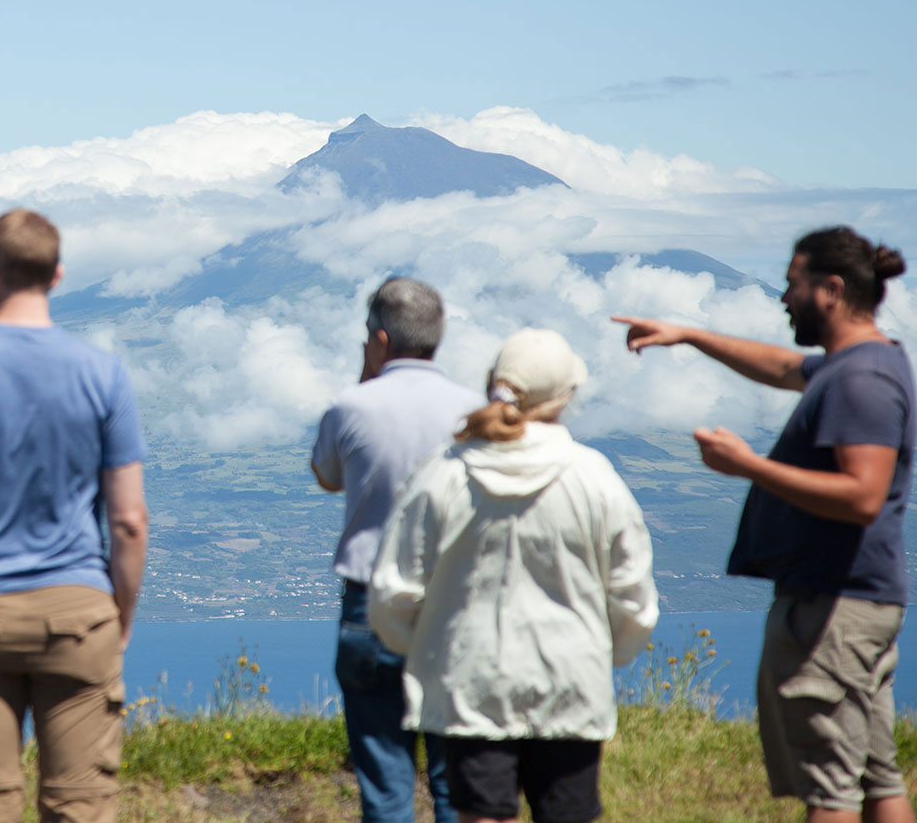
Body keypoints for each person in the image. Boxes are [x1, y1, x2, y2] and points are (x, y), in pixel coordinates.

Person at [614, 226, 914, 823]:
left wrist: (748, 466)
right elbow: (782, 367)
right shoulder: (859, 364)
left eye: (792, 284)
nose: (782, 298)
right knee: (876, 776)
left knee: (829, 788)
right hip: (855, 600)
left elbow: (862, 496)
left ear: (831, 288)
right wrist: (692, 335)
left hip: (833, 608)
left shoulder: (859, 381)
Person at [0, 209, 149, 823]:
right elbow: (128, 522)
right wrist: (118, 618)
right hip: (80, 614)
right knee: (81, 807)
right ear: (57, 275)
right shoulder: (103, 373)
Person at [369, 328, 657, 823]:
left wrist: (428, 652)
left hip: (472, 678)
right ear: (567, 397)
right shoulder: (594, 478)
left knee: (482, 814)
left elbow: (393, 591)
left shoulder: (444, 474)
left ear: (490, 383)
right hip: (570, 679)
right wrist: (604, 653)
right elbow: (632, 595)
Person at [311, 277, 480, 823]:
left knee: (385, 786)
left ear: (378, 339)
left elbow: (327, 476)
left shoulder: (351, 406)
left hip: (371, 604)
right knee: (456, 783)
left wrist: (366, 377)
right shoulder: (475, 411)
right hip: (456, 602)